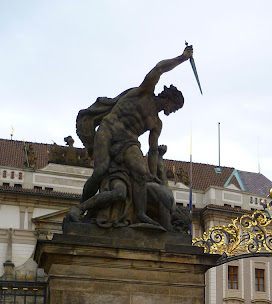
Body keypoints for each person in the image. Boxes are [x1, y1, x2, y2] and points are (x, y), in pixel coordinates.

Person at [74, 45, 193, 226]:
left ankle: (141, 214)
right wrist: (182, 58)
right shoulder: (144, 92)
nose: (173, 111)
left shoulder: (156, 123)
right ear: (170, 99)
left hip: (129, 141)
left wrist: (153, 176)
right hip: (110, 128)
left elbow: (153, 151)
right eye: (175, 107)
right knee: (100, 170)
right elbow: (159, 68)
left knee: (140, 172)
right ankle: (81, 210)